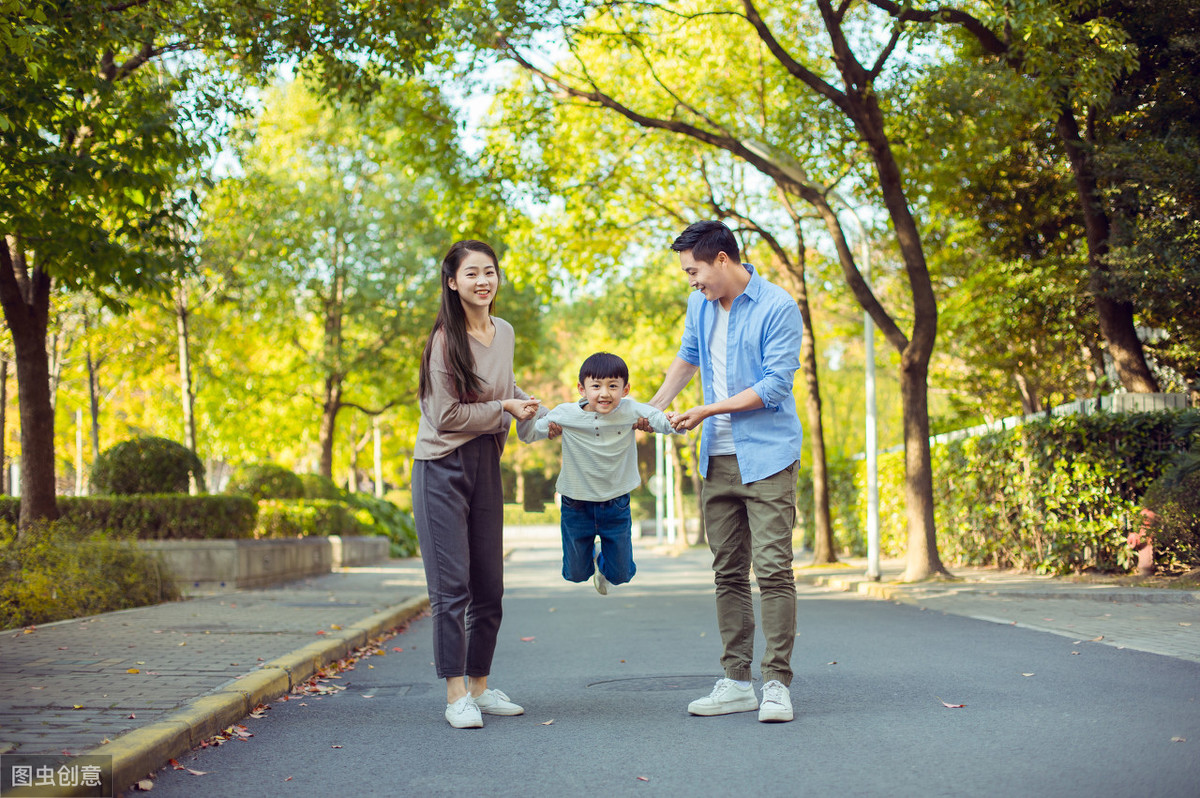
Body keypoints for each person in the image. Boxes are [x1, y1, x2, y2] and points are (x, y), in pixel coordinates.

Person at [646, 220, 804, 723]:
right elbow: (687, 358)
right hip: (717, 459)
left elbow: (775, 385)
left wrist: (708, 411)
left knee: (775, 570)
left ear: (722, 259)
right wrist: (650, 410)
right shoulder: (700, 305)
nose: (691, 281)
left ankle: (776, 683)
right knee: (728, 573)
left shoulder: (778, 306)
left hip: (769, 457)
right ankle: (737, 681)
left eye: (694, 271)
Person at [413, 240, 547, 729]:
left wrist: (529, 405)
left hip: (486, 462)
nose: (482, 281)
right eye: (470, 274)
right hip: (441, 466)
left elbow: (503, 389)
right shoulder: (444, 341)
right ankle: (455, 698)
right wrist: (504, 410)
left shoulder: (504, 332)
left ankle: (480, 689)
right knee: (452, 589)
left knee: (490, 586)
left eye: (489, 272)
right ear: (452, 283)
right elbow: (443, 415)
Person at [533, 352, 677, 595]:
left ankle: (602, 559)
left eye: (613, 386)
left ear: (626, 388)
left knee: (622, 575)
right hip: (576, 503)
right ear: (582, 388)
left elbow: (656, 418)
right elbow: (534, 430)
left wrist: (675, 422)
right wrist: (546, 427)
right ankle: (593, 554)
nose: (604, 393)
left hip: (615, 503)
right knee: (576, 574)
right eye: (596, 386)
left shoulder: (630, 410)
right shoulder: (566, 413)